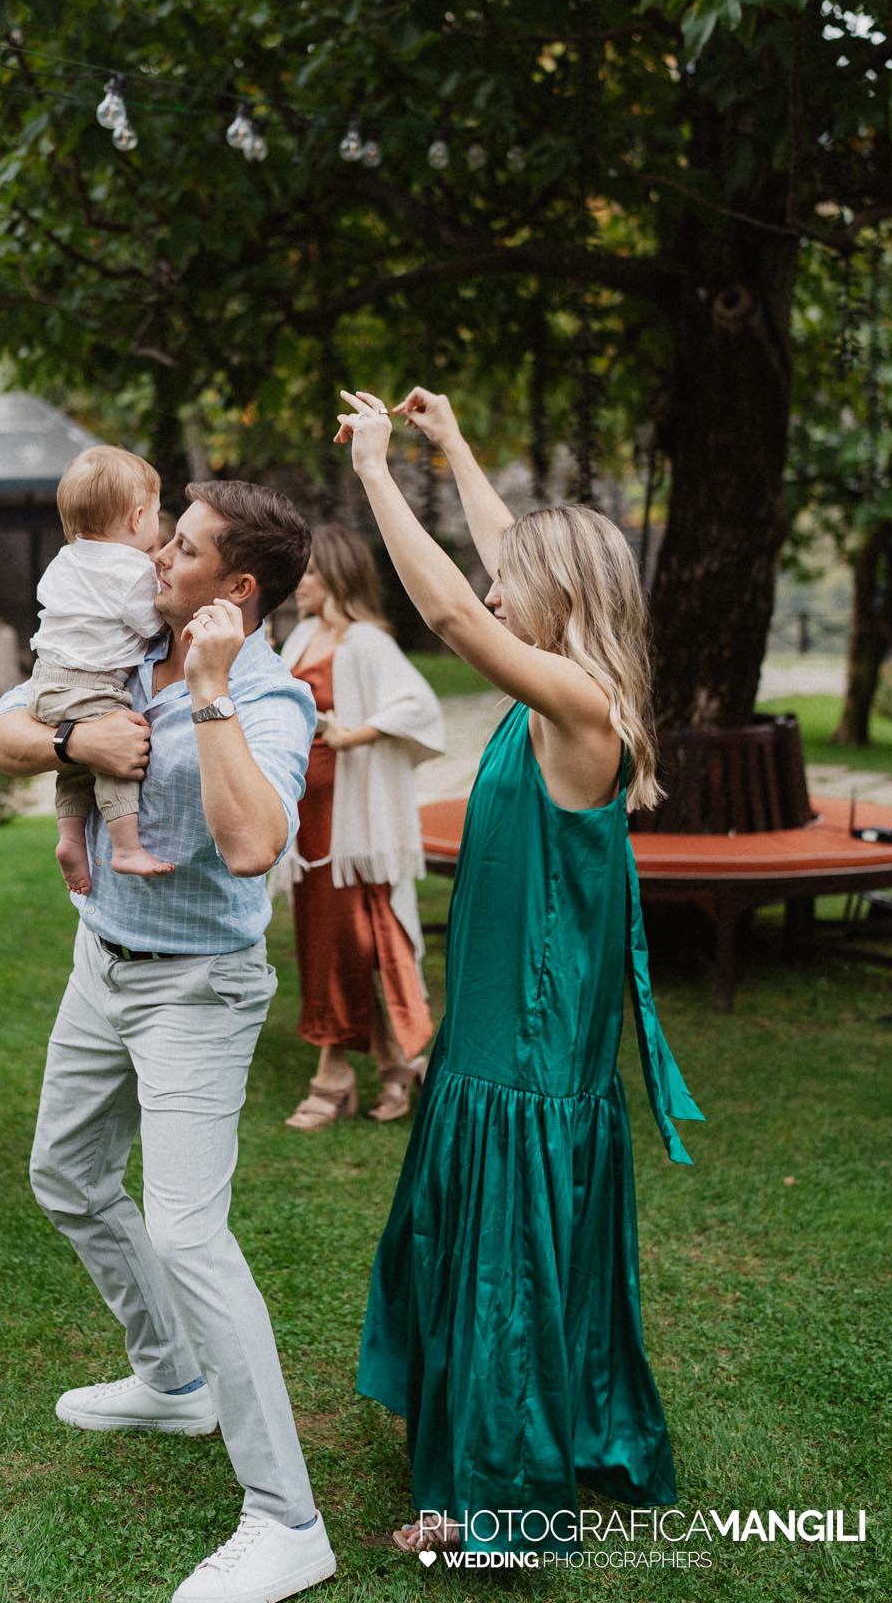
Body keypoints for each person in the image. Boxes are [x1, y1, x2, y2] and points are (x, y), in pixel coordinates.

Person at [334, 387, 703, 1556]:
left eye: (519, 586)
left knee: (504, 1270)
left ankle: (501, 1501)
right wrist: (455, 445)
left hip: (529, 1053)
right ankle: (551, 1429)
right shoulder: (556, 687)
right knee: (495, 1254)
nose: (498, 590)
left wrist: (384, 477)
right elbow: (502, 557)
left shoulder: (579, 706)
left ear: (561, 603)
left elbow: (452, 604)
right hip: (502, 1039)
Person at [0, 482, 338, 1603]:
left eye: (179, 548)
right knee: (65, 1173)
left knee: (190, 1231)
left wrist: (212, 691)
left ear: (235, 588)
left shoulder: (272, 698)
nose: (154, 554)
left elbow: (247, 846)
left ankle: (288, 1517)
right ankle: (171, 1375)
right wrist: (70, 730)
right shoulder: (121, 634)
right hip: (104, 958)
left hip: (197, 989)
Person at [277, 524, 444, 1128]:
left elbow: (417, 706)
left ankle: (334, 1072)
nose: (300, 583)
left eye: (311, 572)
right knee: (324, 939)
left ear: (340, 575)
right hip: (309, 824)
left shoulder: (367, 642)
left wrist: (355, 732)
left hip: (353, 828)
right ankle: (396, 1063)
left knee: (356, 939)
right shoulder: (297, 638)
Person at [24, 444, 173, 893]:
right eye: (157, 517)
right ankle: (127, 847)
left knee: (74, 765)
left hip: (45, 679)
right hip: (93, 684)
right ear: (137, 518)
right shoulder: (132, 572)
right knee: (112, 752)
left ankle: (70, 838)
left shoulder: (65, 559)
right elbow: (152, 623)